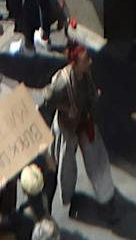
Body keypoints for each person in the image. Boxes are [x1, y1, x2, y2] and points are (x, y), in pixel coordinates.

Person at [41, 44, 117, 220]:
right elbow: (47, 97)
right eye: (85, 61)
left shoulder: (85, 75)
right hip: (67, 127)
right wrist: (66, 108)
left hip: (84, 122)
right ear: (74, 63)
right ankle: (68, 197)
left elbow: (89, 93)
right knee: (66, 166)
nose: (89, 62)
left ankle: (106, 197)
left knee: (97, 158)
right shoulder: (62, 81)